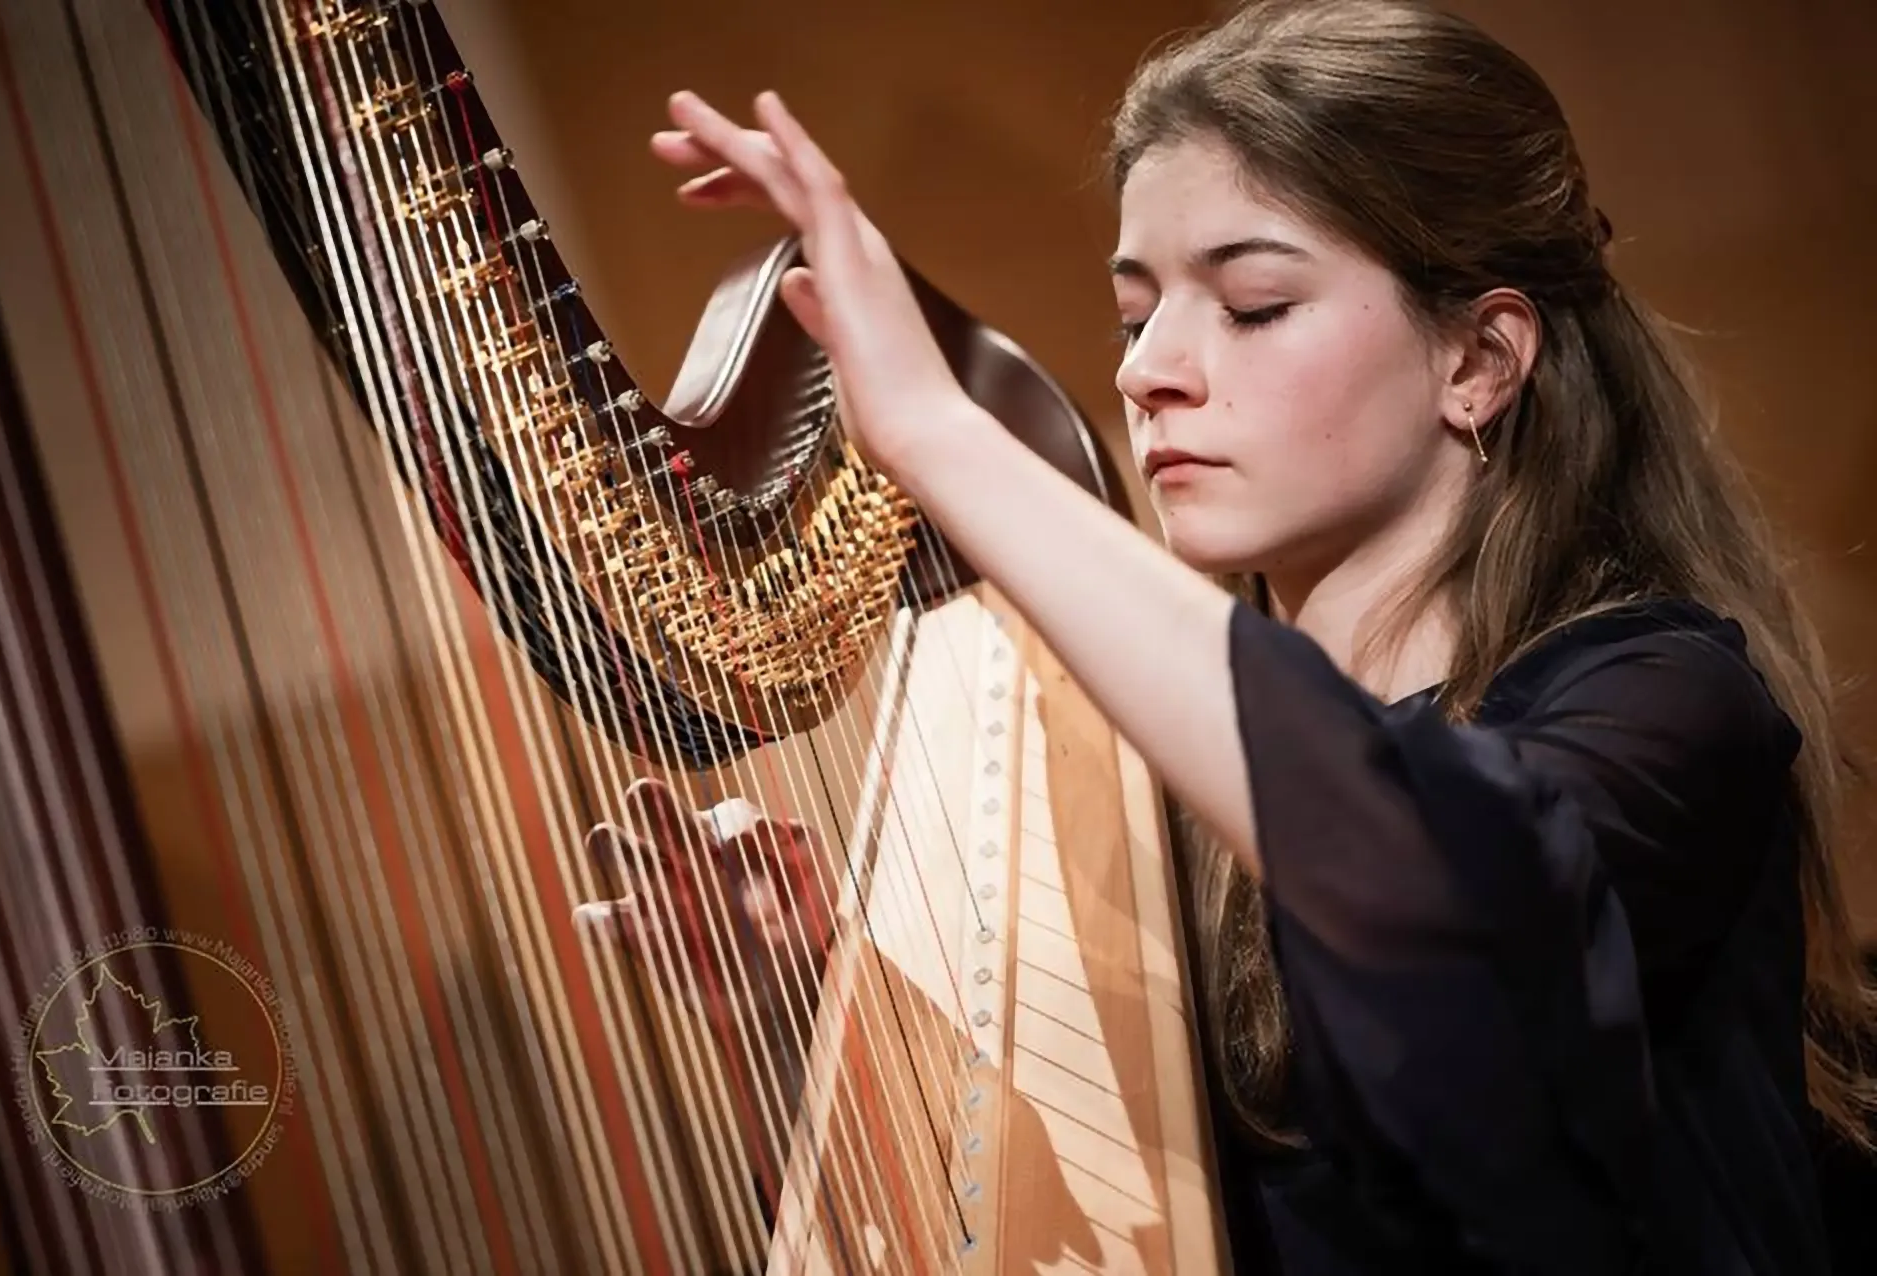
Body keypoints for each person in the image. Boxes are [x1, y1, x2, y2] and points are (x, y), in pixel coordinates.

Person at [630, 0, 1877, 1270]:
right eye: (1135, 315)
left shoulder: (1667, 701)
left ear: (1480, 360)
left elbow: (1437, 903)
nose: (1146, 370)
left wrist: (944, 438)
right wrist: (810, 999)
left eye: (1255, 303)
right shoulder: (1131, 778)